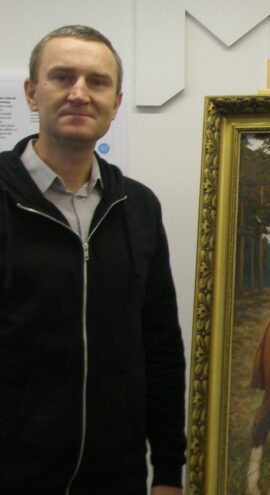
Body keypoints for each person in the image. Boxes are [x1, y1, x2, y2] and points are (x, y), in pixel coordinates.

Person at [0, 26, 186, 494]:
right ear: (32, 92)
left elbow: (160, 345)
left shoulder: (138, 206)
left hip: (114, 476)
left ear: (116, 102)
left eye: (97, 82)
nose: (79, 94)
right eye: (62, 77)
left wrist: (168, 472)